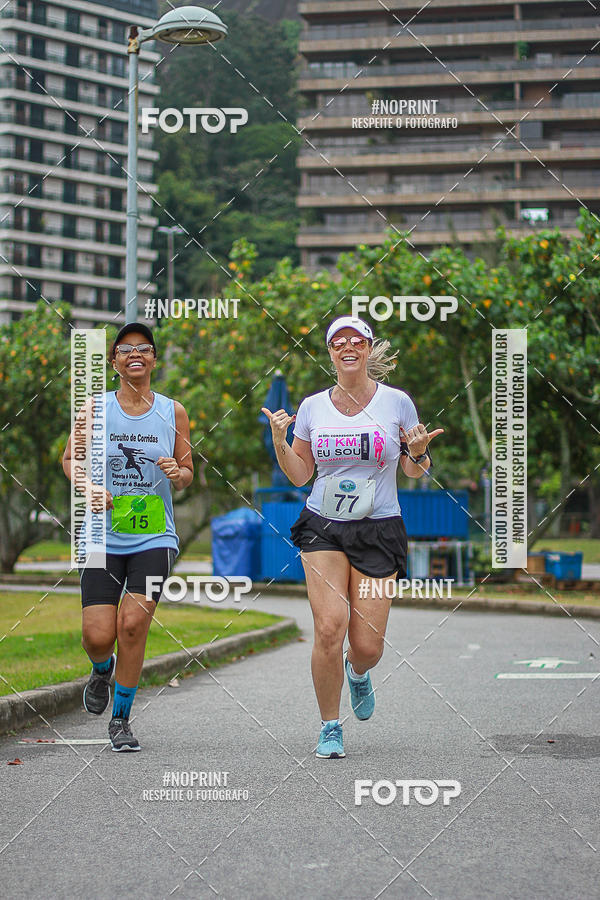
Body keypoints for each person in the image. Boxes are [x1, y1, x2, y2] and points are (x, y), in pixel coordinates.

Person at [261, 316, 443, 759]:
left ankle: (357, 673)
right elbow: (301, 473)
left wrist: (418, 453)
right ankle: (329, 725)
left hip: (379, 528)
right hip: (323, 525)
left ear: (366, 348)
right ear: (330, 353)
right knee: (329, 627)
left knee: (367, 646)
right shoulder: (311, 407)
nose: (347, 347)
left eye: (355, 341)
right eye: (337, 341)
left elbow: (413, 469)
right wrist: (281, 442)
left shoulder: (396, 403)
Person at [62, 323, 193, 751]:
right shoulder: (95, 408)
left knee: (133, 625)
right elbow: (70, 459)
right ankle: (102, 668)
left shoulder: (173, 411)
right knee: (98, 635)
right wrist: (87, 487)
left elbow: (188, 473)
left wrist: (178, 472)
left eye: (144, 348)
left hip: (154, 533)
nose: (135, 354)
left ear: (154, 359)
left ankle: (121, 720)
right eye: (125, 349)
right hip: (101, 533)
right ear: (114, 360)